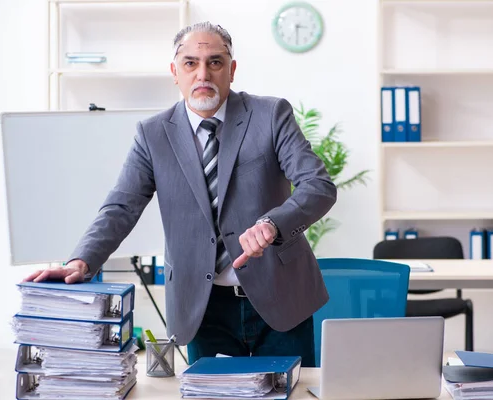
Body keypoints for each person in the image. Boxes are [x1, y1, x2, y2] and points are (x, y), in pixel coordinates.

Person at [24, 21, 337, 367]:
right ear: (175, 72)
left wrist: (273, 224)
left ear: (231, 70)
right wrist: (81, 261)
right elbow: (121, 206)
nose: (203, 73)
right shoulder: (153, 135)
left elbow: (318, 186)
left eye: (215, 62)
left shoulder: (270, 115)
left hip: (282, 296)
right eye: (191, 63)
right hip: (202, 306)